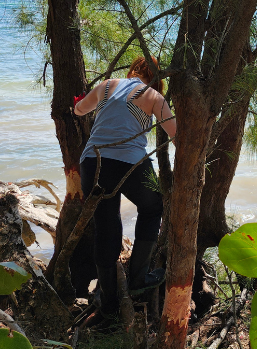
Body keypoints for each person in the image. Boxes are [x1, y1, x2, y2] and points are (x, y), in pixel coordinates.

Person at [73, 56, 177, 329]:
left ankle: (109, 305)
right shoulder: (153, 95)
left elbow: (80, 111)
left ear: (132, 70)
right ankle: (138, 280)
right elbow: (178, 134)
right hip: (129, 163)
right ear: (157, 79)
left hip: (91, 162)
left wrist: (79, 101)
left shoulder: (107, 85)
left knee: (106, 225)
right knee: (153, 206)